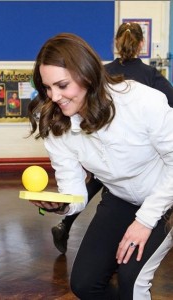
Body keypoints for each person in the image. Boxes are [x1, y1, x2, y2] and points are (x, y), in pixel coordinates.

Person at [27, 33, 173, 299]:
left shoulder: (141, 101)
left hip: (165, 199)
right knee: (85, 284)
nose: (54, 96)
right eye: (47, 88)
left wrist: (144, 221)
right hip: (120, 199)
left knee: (132, 281)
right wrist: (64, 204)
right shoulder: (55, 125)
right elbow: (72, 185)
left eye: (62, 85)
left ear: (87, 74)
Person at [51, 22, 173, 254]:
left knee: (98, 180)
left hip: (137, 170)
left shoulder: (104, 74)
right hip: (113, 164)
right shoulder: (149, 74)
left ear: (116, 43)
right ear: (141, 44)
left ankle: (67, 224)